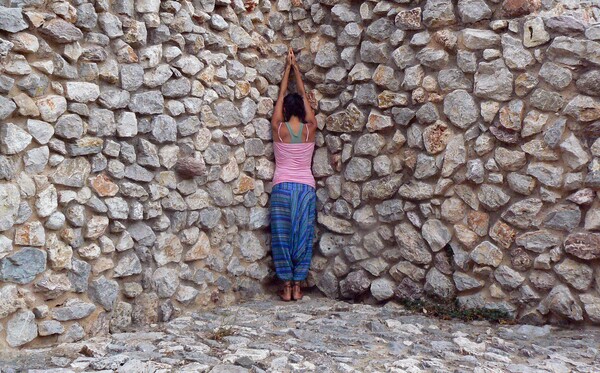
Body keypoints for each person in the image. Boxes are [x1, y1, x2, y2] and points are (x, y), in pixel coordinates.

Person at [270, 48, 318, 301]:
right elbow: (302, 94)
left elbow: (281, 96)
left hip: (282, 188)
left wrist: (286, 71)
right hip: (305, 189)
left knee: (281, 235)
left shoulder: (279, 129)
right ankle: (298, 286)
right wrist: (297, 70)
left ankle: (286, 286)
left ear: (286, 111)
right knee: (302, 234)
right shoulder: (311, 129)